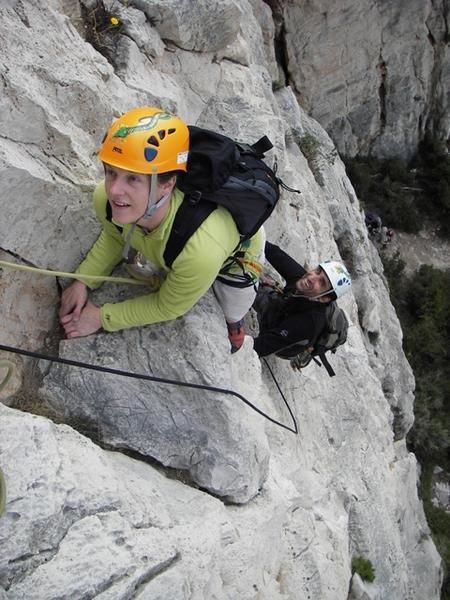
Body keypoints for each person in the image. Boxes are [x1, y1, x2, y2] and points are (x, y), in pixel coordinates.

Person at [59, 107, 265, 352]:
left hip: (238, 252)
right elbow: (115, 235)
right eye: (111, 172)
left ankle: (235, 326)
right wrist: (83, 280)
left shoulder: (201, 251)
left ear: (168, 184)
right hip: (183, 244)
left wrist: (102, 317)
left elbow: (169, 306)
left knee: (233, 305)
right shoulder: (104, 198)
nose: (114, 190)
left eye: (133, 178)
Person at [252, 241, 351, 360]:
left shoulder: (309, 323)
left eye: (322, 282)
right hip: (289, 311)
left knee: (250, 285)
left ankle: (302, 350)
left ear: (325, 298)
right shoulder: (302, 279)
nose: (312, 278)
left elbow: (260, 347)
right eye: (317, 271)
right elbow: (274, 252)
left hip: (287, 341)